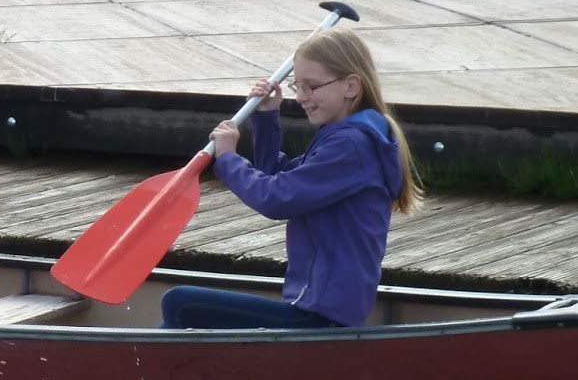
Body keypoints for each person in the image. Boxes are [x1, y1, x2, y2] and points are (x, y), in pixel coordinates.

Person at [160, 27, 421, 330]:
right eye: (298, 86)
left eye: (312, 86)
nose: (301, 97)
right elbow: (281, 177)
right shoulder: (345, 138)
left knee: (180, 303)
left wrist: (228, 158)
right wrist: (267, 117)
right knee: (180, 307)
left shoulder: (351, 146)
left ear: (351, 86)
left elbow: (276, 198)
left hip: (321, 314)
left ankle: (142, 362)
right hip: (315, 307)